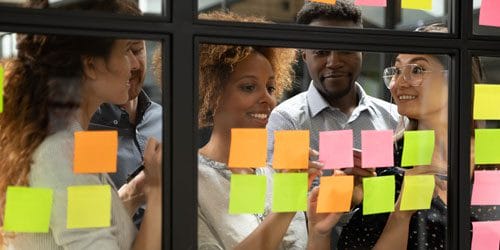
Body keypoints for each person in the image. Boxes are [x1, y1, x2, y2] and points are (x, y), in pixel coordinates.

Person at [0, 1, 161, 249]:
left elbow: (70, 228)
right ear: (90, 65)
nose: (134, 65)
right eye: (127, 50)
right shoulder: (60, 151)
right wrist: (159, 194)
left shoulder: (59, 143)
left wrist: (134, 193)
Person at [197, 11, 337, 250]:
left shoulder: (276, 176)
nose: (268, 100)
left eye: (271, 87)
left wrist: (318, 232)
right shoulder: (188, 180)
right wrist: (288, 204)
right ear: (210, 93)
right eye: (249, 87)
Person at [88, 0, 162, 224]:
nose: (133, 65)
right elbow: (85, 225)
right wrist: (134, 192)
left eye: (137, 50)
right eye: (121, 52)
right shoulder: (82, 129)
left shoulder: (165, 118)